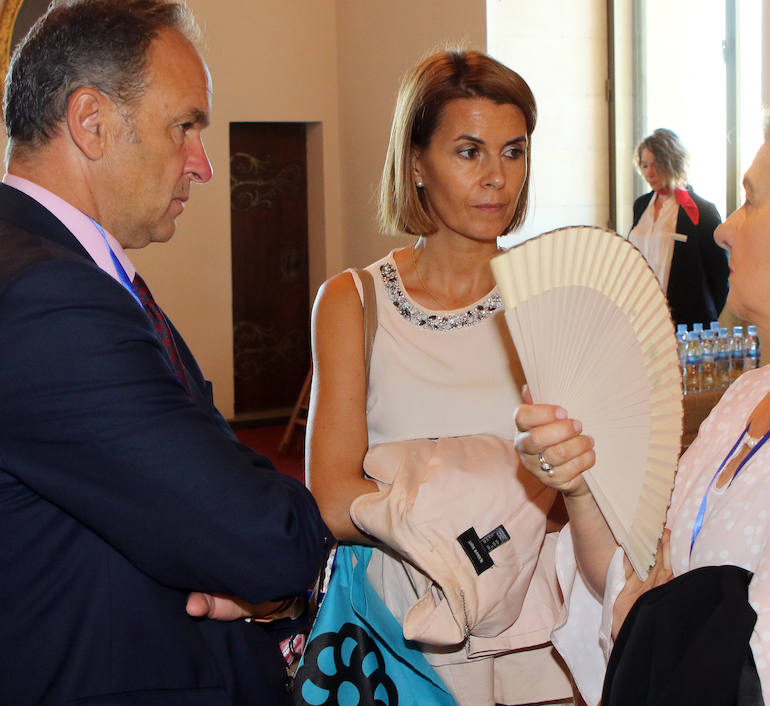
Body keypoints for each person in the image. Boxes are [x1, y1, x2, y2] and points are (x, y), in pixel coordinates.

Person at [514, 94, 770, 704]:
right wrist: (580, 485)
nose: (723, 229)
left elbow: (766, 684)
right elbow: (628, 574)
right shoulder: (748, 395)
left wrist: (648, 612)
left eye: (750, 200)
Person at [0, 2, 330, 704]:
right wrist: (277, 574)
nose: (204, 165)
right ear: (91, 122)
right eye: (185, 126)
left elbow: (203, 470)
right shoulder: (48, 297)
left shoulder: (58, 268)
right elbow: (263, 539)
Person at [305, 50, 573, 704]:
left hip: (533, 632)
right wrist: (485, 495)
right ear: (417, 162)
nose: (496, 179)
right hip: (404, 634)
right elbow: (334, 497)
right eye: (469, 152)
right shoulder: (353, 301)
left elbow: (584, 488)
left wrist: (425, 486)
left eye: (513, 152)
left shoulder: (554, 300)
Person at [629, 128, 729, 326]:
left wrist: (703, 317)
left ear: (672, 162)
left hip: (687, 321)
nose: (649, 172)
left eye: (656, 164)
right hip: (643, 316)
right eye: (645, 165)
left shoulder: (702, 210)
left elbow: (720, 276)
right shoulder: (641, 205)